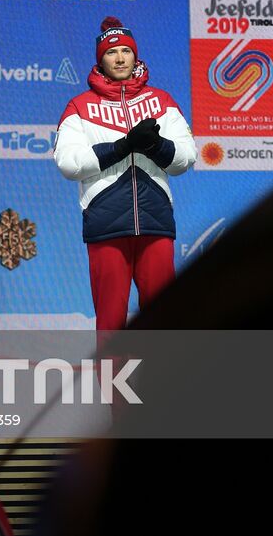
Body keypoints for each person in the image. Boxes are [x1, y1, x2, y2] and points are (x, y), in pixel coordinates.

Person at [54, 16, 195, 331]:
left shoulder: (162, 102)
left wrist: (155, 145)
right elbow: (68, 162)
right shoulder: (79, 106)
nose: (119, 58)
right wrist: (121, 147)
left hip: (155, 224)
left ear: (136, 56)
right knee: (111, 322)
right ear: (100, 60)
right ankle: (114, 382)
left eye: (125, 51)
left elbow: (185, 158)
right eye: (111, 52)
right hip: (106, 226)